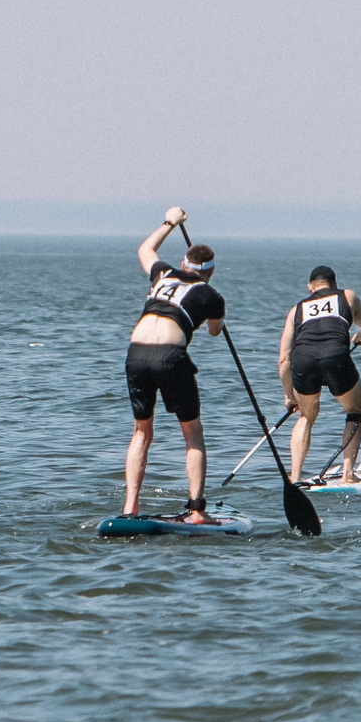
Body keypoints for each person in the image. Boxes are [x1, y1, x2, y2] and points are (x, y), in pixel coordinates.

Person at [123, 207, 225, 520]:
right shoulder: (211, 294)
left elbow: (145, 249)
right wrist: (215, 312)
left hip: (136, 353)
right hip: (170, 355)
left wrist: (170, 222)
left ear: (184, 263)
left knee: (141, 433)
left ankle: (130, 507)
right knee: (192, 433)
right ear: (209, 272)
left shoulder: (163, 273)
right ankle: (197, 511)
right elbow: (214, 331)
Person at [278, 265, 361, 487]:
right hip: (336, 358)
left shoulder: (296, 310)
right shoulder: (347, 296)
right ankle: (348, 474)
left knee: (305, 416)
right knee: (354, 412)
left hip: (303, 361)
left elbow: (284, 360)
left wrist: (289, 396)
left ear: (310, 287)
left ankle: (294, 477)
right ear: (334, 284)